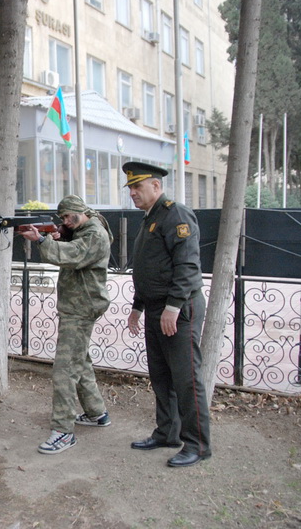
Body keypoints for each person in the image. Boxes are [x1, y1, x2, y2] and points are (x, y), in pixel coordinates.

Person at [122, 161, 211, 468]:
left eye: (137, 187)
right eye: (130, 188)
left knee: (186, 380)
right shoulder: (151, 217)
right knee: (161, 376)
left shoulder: (175, 214)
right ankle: (167, 433)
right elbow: (149, 268)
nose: (132, 193)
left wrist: (172, 307)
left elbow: (187, 265)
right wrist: (138, 306)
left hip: (178, 309)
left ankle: (197, 445)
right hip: (156, 308)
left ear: (156, 186)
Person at [17, 195, 112, 455]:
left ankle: (63, 431)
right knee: (79, 361)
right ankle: (96, 413)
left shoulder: (95, 234)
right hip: (78, 303)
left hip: (82, 307)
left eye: (69, 217)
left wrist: (42, 240)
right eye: (62, 219)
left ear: (82, 212)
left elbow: (74, 254)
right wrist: (56, 237)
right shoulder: (85, 229)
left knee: (64, 368)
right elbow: (73, 246)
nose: (65, 222)